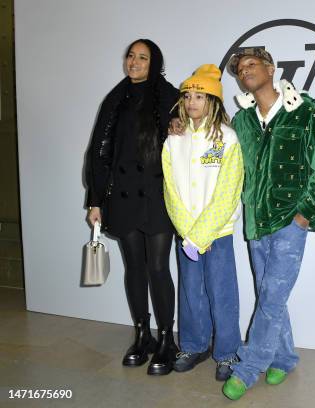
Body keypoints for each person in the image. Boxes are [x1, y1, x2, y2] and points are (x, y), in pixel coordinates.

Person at [221, 48, 315, 400]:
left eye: (252, 65)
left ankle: (247, 368)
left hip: (290, 220)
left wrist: (306, 212)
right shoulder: (241, 121)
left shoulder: (305, 109)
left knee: (272, 296)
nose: (245, 72)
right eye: (240, 69)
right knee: (271, 296)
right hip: (256, 222)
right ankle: (284, 357)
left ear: (271, 69)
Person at [85, 39, 179, 375]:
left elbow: (186, 147)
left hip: (157, 196)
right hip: (122, 195)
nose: (134, 62)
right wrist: (95, 200)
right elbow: (99, 152)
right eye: (130, 56)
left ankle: (168, 340)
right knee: (134, 268)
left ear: (155, 62)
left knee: (157, 267)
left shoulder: (170, 96)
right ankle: (143, 335)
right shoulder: (115, 98)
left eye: (142, 57)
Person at [161, 64, 243, 381]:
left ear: (214, 101)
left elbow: (228, 192)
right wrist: (188, 232)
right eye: (188, 96)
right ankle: (194, 345)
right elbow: (171, 190)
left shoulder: (228, 138)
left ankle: (227, 352)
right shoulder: (173, 140)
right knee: (190, 291)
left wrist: (201, 234)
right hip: (185, 234)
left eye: (200, 96)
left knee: (222, 293)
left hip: (217, 234)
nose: (193, 102)